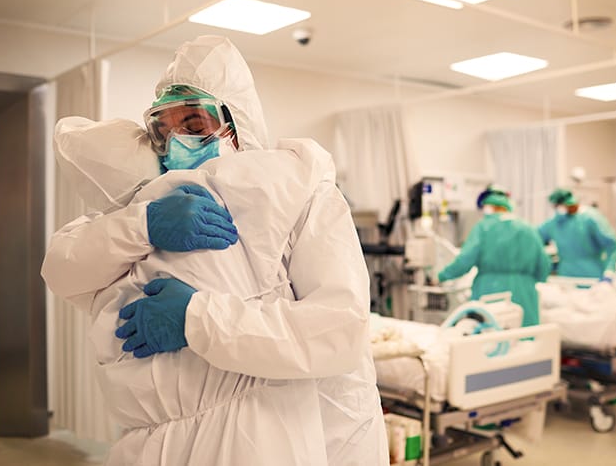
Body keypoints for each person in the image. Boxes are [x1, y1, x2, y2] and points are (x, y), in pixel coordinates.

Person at [42, 35, 388, 466]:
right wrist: (143, 223)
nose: (176, 145)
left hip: (258, 434)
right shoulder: (149, 203)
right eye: (163, 132)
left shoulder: (295, 190)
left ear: (238, 128)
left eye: (193, 125)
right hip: (150, 442)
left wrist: (195, 318)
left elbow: (338, 330)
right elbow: (61, 269)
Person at [437, 185, 551, 327]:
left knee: (490, 338)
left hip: (490, 289)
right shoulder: (527, 228)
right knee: (525, 340)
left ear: (489, 207)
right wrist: (527, 280)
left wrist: (442, 276)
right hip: (524, 292)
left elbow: (465, 260)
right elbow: (544, 266)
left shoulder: (483, 227)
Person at [539, 188, 616, 282]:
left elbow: (612, 245)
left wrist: (609, 271)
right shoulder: (556, 222)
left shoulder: (591, 218)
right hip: (565, 276)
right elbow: (534, 239)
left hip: (591, 274)